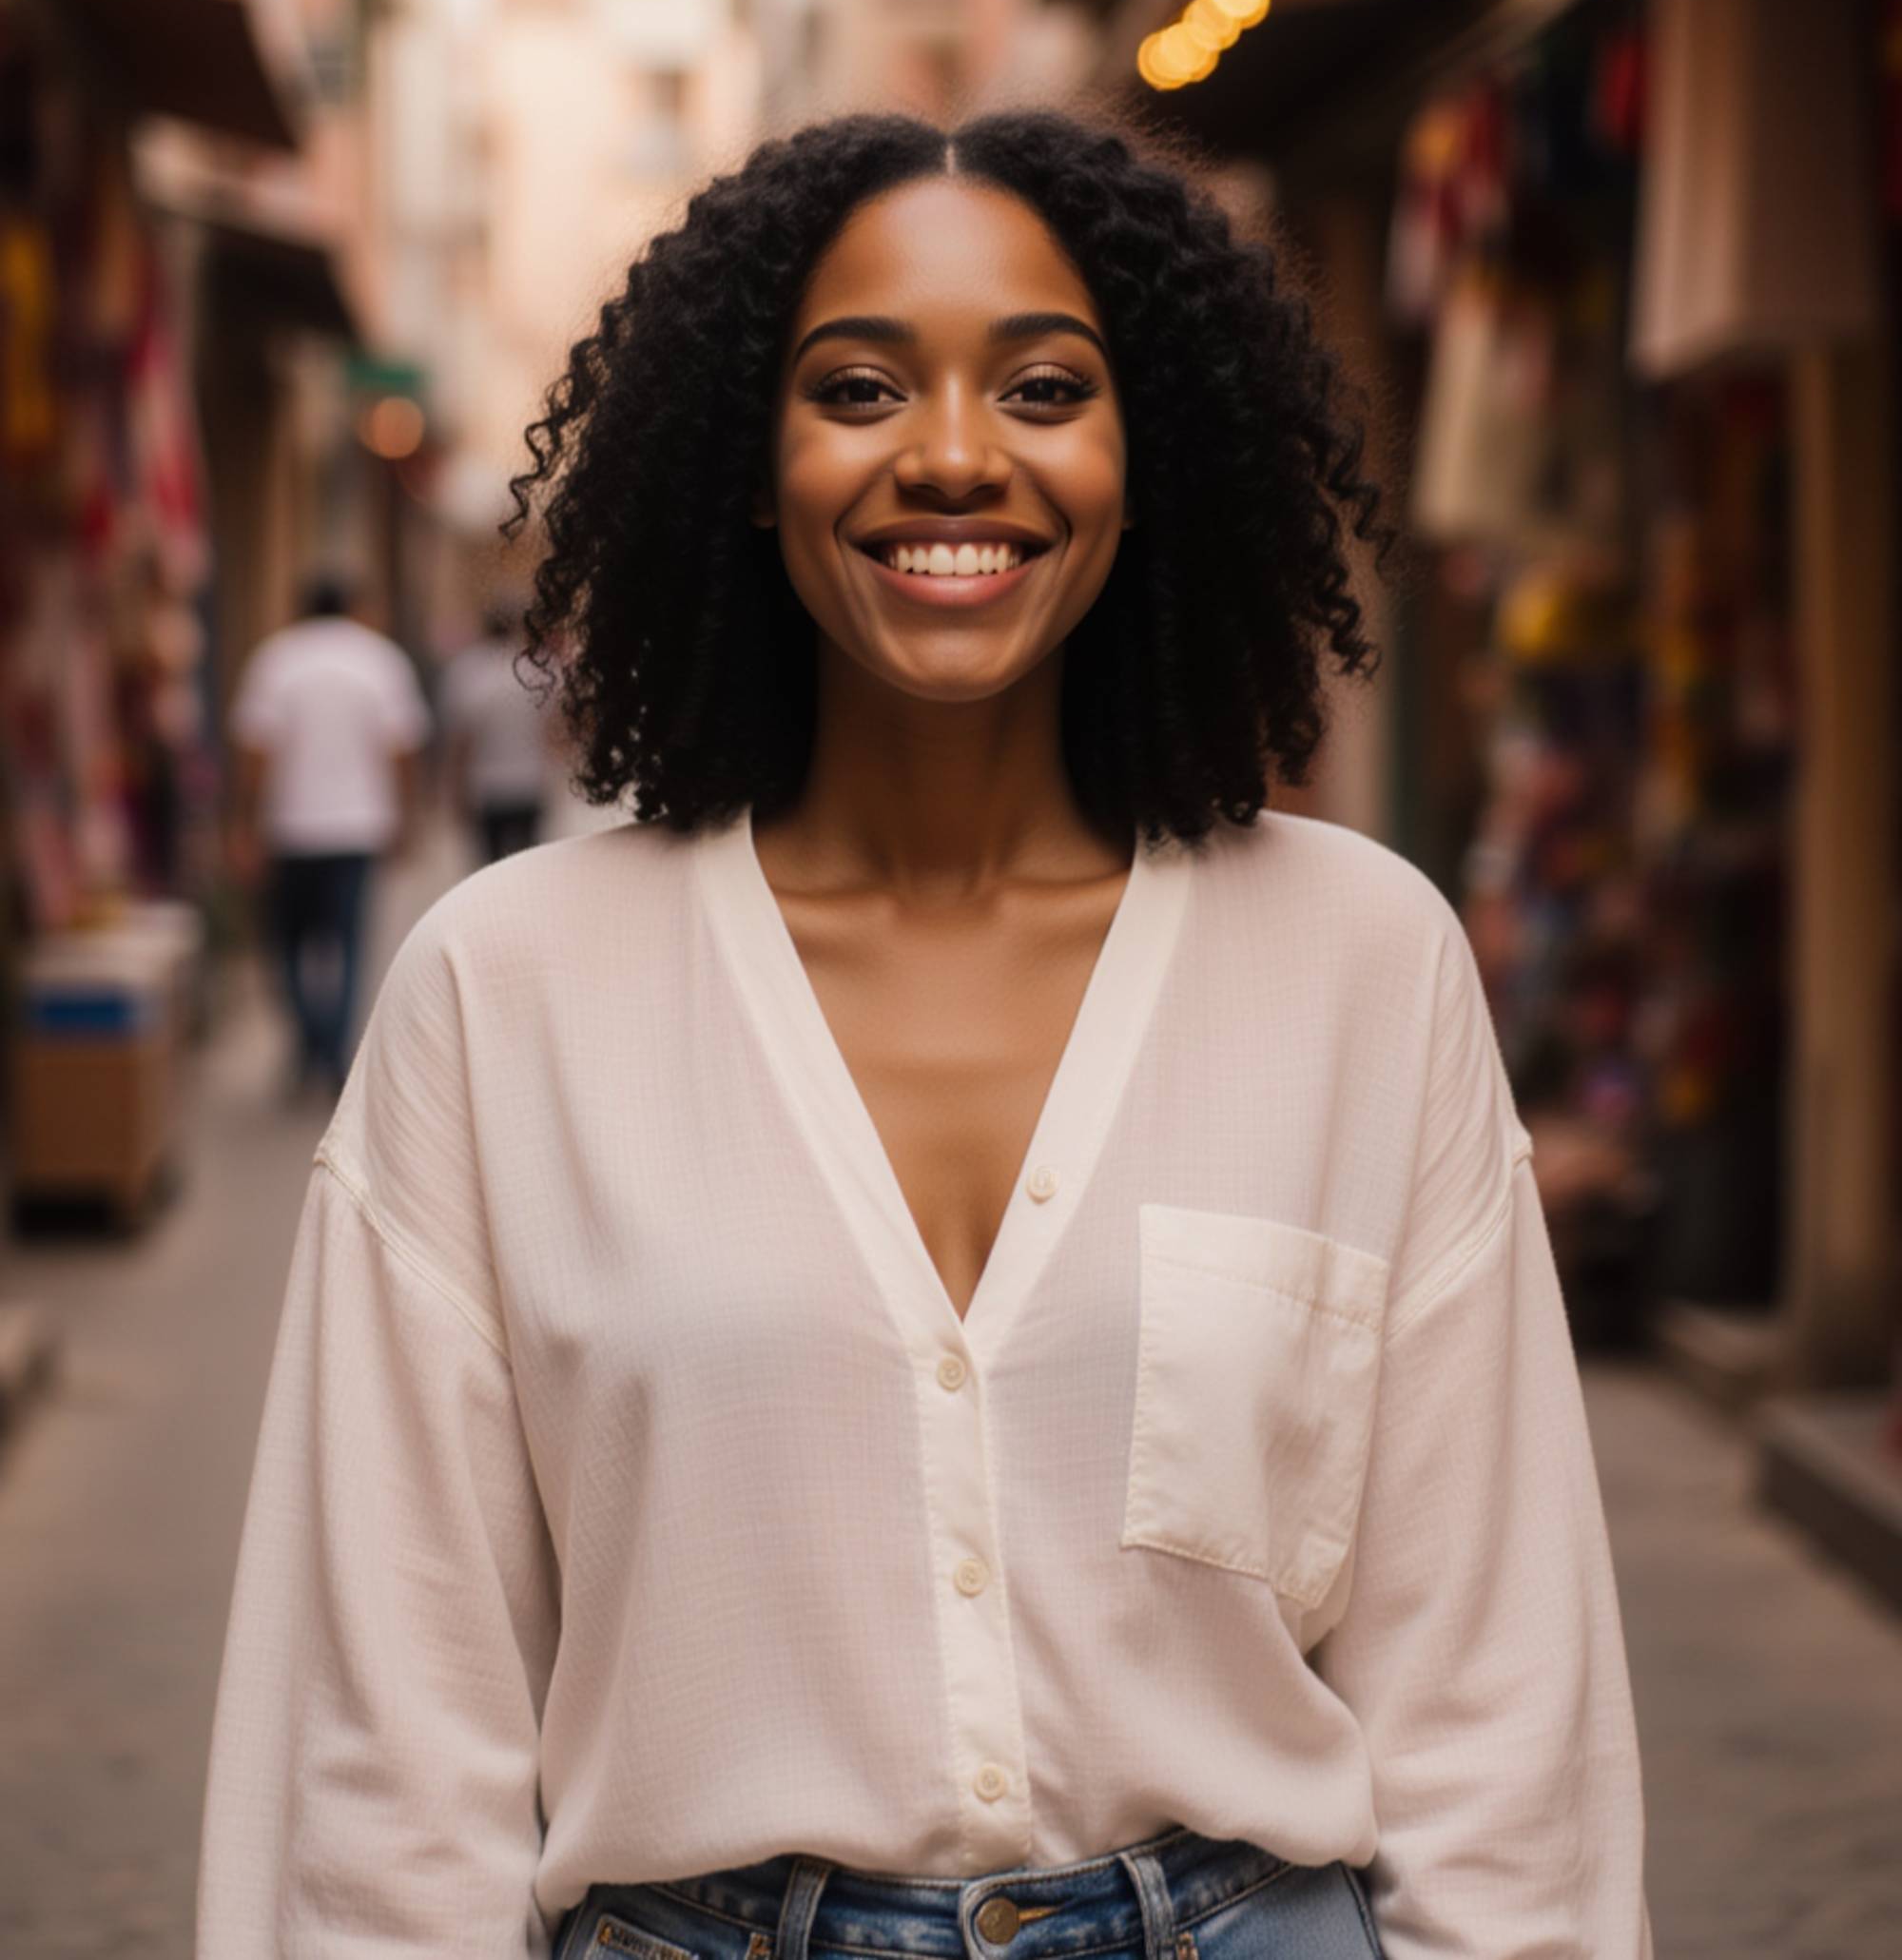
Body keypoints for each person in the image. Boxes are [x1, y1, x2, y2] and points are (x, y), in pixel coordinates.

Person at [197, 113, 1653, 1960]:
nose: (955, 456)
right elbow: (384, 1746)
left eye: (1046, 387)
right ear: (749, 460)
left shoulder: (1362, 963)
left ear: (1146, 459)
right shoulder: (504, 992)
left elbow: (1495, 1705)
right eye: (859, 386)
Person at [226, 570, 431, 1095]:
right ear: (354, 606)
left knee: (286, 945)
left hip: (289, 826)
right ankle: (330, 1049)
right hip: (357, 827)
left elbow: (254, 752)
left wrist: (245, 824)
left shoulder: (276, 659)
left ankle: (311, 1045)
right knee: (347, 944)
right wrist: (406, 817)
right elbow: (402, 748)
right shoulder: (380, 660)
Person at [440, 599, 554, 863]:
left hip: (485, 785)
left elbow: (461, 738)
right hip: (529, 780)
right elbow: (551, 728)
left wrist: (455, 789)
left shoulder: (468, 670)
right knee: (528, 862)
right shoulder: (534, 669)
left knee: (489, 866)